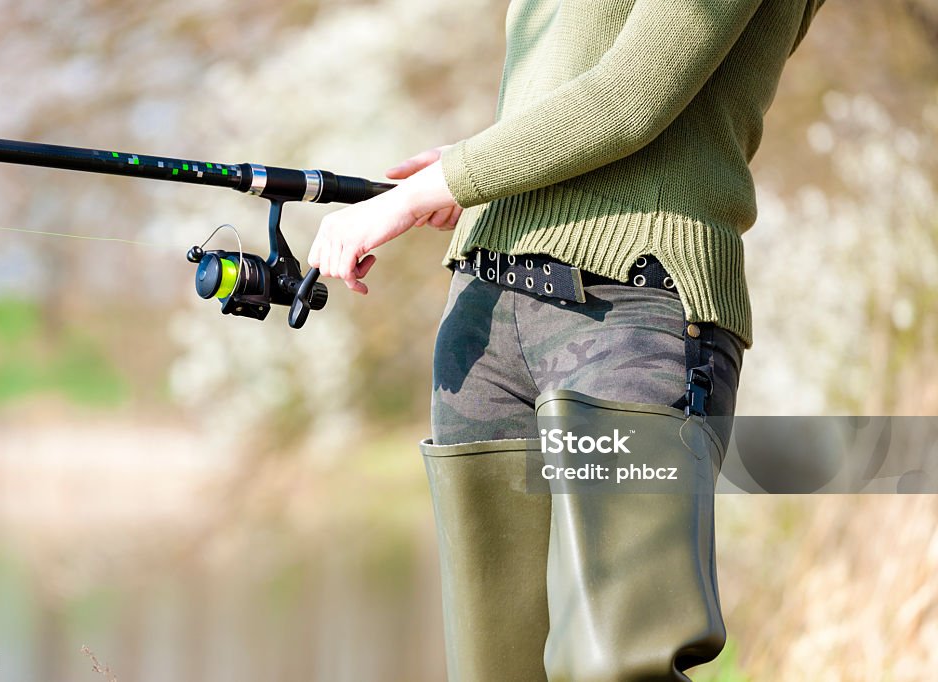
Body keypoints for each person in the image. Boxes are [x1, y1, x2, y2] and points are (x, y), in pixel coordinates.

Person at [309, 1, 826, 679]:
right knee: (496, 666)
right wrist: (487, 167)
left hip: (636, 314)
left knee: (619, 664)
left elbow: (630, 99)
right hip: (486, 307)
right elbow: (572, 75)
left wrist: (423, 191)